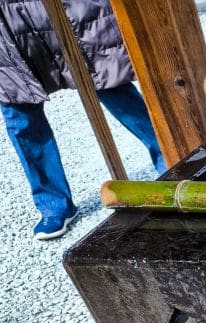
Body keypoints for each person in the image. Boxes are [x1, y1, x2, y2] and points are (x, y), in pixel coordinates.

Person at [0, 0, 165, 240]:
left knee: (109, 82)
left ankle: (170, 159)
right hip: (5, 21)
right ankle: (53, 204)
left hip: (60, 9)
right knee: (19, 110)